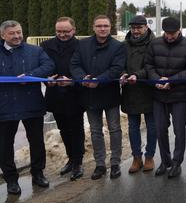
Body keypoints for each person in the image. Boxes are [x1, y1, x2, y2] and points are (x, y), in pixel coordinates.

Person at [0, 20, 54, 195]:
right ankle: (11, 179)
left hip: (31, 104)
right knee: (4, 145)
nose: (17, 36)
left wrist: (30, 76)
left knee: (37, 141)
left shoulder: (35, 50)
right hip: (5, 106)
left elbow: (49, 66)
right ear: (3, 35)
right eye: (12, 33)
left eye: (19, 32)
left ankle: (38, 173)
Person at [70, 15, 126, 180]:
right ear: (93, 27)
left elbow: (117, 68)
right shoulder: (83, 44)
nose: (103, 29)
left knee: (115, 129)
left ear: (110, 27)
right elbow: (74, 64)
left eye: (106, 26)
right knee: (95, 131)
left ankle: (115, 163)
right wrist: (83, 78)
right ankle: (100, 164)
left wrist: (99, 81)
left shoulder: (118, 46)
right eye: (99, 26)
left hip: (109, 94)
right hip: (89, 95)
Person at [145, 16, 186, 178]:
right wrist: (156, 79)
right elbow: (148, 65)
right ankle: (165, 160)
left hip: (179, 95)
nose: (169, 36)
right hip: (158, 95)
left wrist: (171, 81)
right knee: (160, 130)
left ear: (179, 31)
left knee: (179, 130)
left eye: (173, 33)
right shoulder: (154, 44)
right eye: (166, 33)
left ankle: (177, 162)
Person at [41, 17, 85, 180]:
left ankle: (78, 163)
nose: (62, 34)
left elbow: (84, 67)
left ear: (73, 30)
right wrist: (47, 79)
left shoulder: (81, 46)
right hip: (55, 95)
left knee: (76, 130)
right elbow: (43, 65)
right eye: (59, 31)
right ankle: (71, 159)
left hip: (75, 94)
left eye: (66, 31)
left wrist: (73, 81)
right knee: (64, 130)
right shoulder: (46, 45)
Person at [120, 15, 156, 174]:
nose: (136, 31)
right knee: (133, 126)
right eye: (133, 28)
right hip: (130, 90)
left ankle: (149, 156)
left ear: (146, 27)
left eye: (139, 28)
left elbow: (153, 65)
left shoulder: (155, 44)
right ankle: (136, 157)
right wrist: (122, 74)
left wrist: (138, 75)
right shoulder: (124, 45)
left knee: (152, 126)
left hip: (148, 89)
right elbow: (118, 63)